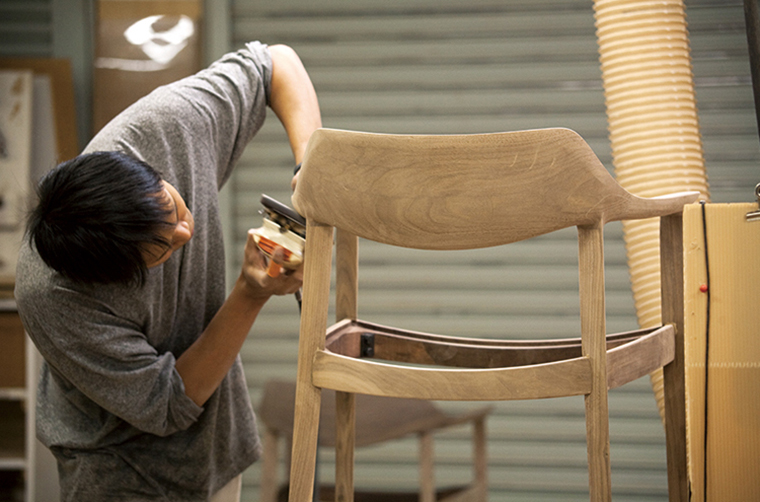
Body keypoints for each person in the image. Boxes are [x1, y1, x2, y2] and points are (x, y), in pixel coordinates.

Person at [13, 41, 321, 501]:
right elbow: (170, 402)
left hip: (215, 450)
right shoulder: (55, 297)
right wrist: (250, 293)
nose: (186, 231)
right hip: (118, 473)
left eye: (173, 205)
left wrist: (313, 166)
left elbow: (274, 63)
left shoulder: (164, 127)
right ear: (110, 272)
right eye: (160, 247)